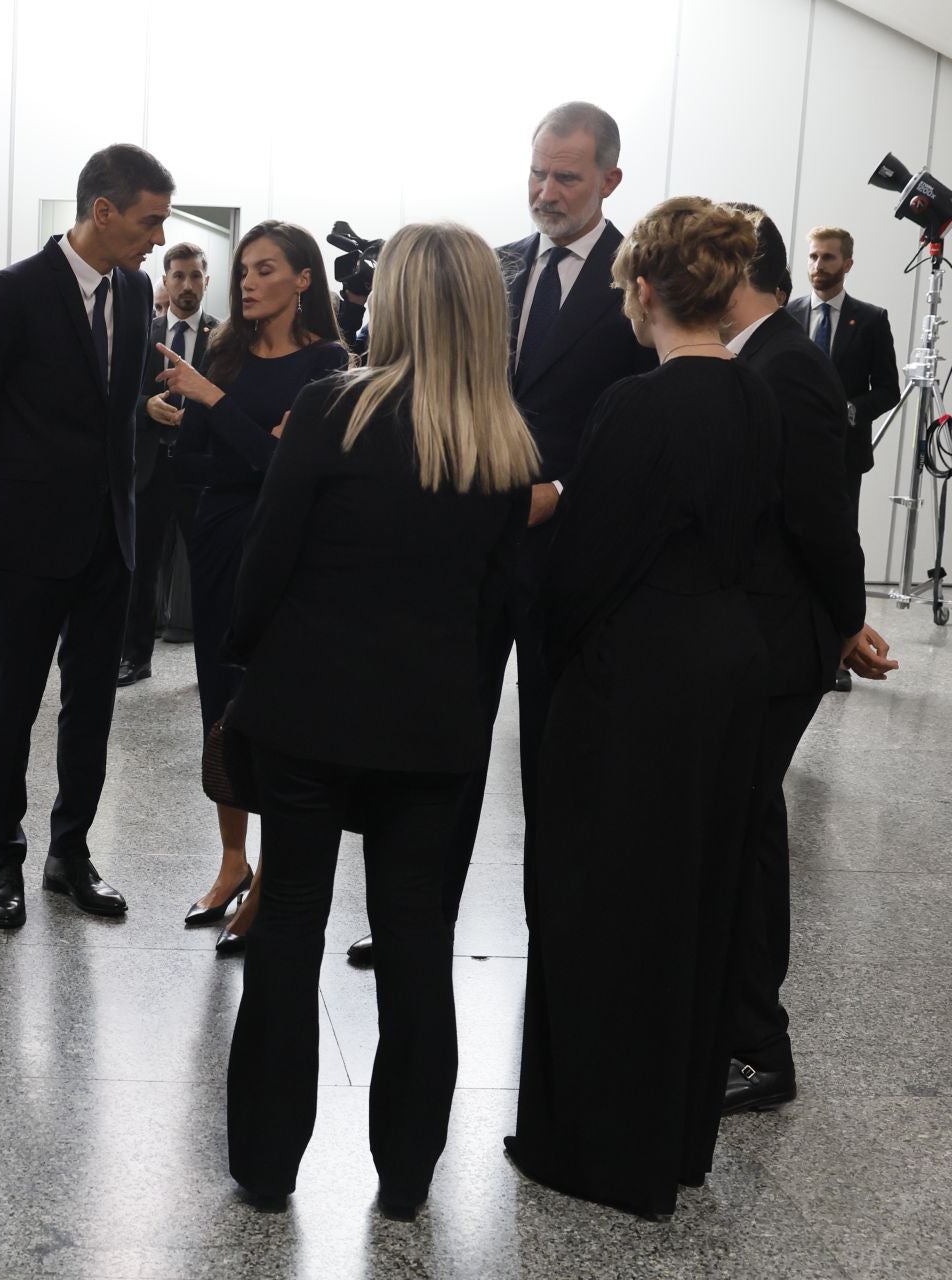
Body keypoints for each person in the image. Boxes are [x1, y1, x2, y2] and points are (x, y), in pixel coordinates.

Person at [220, 221, 537, 1218]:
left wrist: (246, 662)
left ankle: (269, 1167)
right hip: (433, 725)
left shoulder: (332, 408)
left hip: (309, 715)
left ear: (389, 300)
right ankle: (405, 1176)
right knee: (414, 944)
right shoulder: (503, 438)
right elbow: (495, 600)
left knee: (288, 935)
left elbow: (265, 563)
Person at [506, 197, 776, 1220]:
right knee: (698, 898)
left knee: (602, 907)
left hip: (638, 679)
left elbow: (581, 570)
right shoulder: (754, 395)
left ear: (645, 287)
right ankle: (674, 1138)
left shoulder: (634, 405)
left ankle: (595, 1149)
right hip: (728, 662)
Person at [352, 101, 655, 969]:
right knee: (447, 741)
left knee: (556, 755)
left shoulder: (638, 279)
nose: (546, 191)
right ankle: (419, 921)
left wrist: (565, 489)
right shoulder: (495, 267)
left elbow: (640, 428)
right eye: (537, 172)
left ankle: (551, 929)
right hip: (475, 543)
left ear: (609, 180)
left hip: (573, 552)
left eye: (566, 176)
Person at [0, 142, 171, 929]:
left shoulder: (138, 291)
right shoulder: (12, 293)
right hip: (25, 541)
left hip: (111, 537)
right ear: (102, 211)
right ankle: (2, 860)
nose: (157, 239)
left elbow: (114, 407)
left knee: (92, 710)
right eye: (148, 221)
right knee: (12, 705)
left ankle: (68, 852)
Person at [720, 203, 897, 1116]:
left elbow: (822, 520)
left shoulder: (784, 364)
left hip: (779, 640)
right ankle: (740, 1030)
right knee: (743, 828)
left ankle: (758, 1045)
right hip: (771, 631)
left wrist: (842, 623)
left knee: (749, 834)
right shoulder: (764, 353)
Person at [157, 224, 350, 947]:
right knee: (220, 703)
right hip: (216, 540)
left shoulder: (328, 362)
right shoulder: (226, 351)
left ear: (303, 279)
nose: (247, 282)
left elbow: (287, 472)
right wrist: (249, 433)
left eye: (264, 269)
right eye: (243, 270)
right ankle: (232, 858)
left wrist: (215, 403)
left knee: (271, 708)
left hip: (284, 551)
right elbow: (204, 462)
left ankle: (270, 876)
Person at [118, 242, 218, 688]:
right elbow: (118, 395)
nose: (186, 284)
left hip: (202, 470)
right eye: (178, 275)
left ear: (207, 281)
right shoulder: (142, 330)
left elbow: (231, 401)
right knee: (141, 568)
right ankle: (136, 657)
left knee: (209, 567)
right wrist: (146, 407)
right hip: (150, 466)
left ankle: (214, 660)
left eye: (195, 275)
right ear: (165, 280)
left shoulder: (226, 338)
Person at [788, 226, 900, 511]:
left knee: (837, 544)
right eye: (813, 256)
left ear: (847, 264)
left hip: (844, 454)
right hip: (788, 449)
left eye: (828, 257)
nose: (818, 265)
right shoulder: (786, 315)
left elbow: (888, 391)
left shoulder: (871, 321)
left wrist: (849, 411)